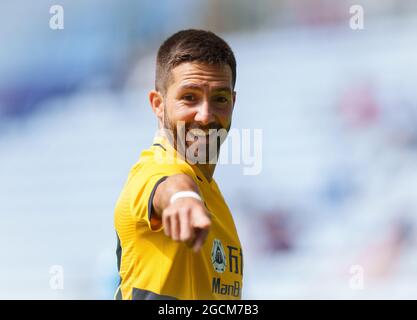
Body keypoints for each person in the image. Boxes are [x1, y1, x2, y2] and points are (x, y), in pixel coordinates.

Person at [114, 29, 243, 300]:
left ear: (233, 102)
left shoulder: (214, 199)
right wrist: (182, 198)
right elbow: (167, 185)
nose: (205, 115)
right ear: (158, 104)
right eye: (189, 97)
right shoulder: (153, 169)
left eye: (219, 98)